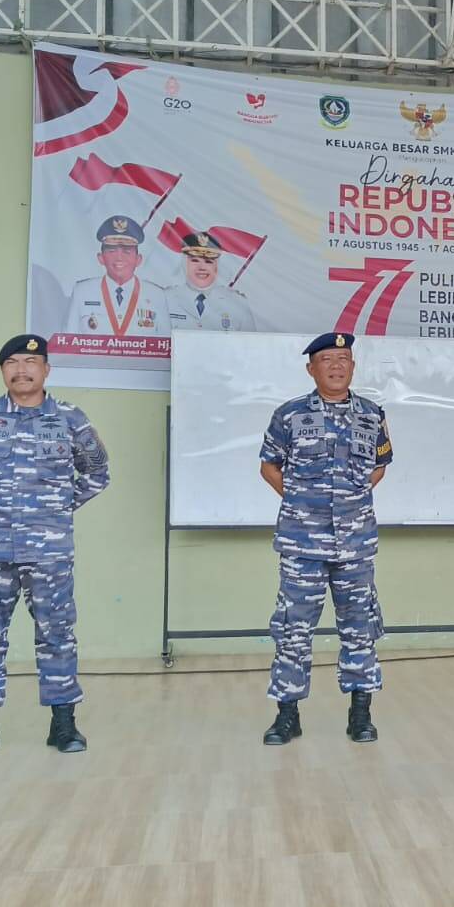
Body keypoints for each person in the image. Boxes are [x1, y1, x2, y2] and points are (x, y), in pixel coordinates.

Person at [0, 334, 111, 758]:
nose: (22, 369)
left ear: (46, 370)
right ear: (2, 371)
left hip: (50, 551)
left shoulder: (71, 419)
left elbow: (97, 471)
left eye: (30, 362)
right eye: (12, 362)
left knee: (57, 634)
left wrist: (58, 508)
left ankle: (63, 724)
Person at [258, 332, 393, 745]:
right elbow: (269, 467)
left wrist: (347, 503)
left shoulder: (372, 414)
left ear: (353, 366)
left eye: (344, 359)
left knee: (359, 627)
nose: (337, 366)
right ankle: (287, 716)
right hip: (302, 545)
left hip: (355, 544)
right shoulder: (290, 415)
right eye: (327, 359)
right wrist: (304, 503)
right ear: (311, 368)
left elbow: (380, 466)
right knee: (293, 629)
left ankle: (360, 714)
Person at [63, 216, 169, 336]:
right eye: (111, 251)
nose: (119, 257)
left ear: (138, 260)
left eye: (127, 251)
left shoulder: (156, 295)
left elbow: (166, 346)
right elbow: (69, 341)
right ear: (101, 258)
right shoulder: (82, 291)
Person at [165, 231, 259, 331]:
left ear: (217, 266)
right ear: (184, 263)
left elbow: (250, 343)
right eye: (195, 260)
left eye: (208, 262)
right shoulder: (166, 298)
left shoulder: (237, 303)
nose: (202, 267)